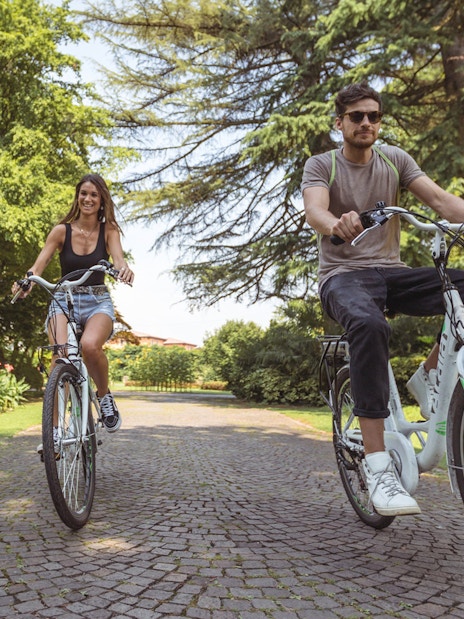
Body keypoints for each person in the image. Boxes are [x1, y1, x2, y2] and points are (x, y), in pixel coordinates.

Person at [301, 82, 464, 516]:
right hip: (343, 277)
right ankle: (377, 467)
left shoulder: (395, 160)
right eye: (357, 116)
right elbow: (314, 211)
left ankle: (429, 373)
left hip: (392, 274)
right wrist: (336, 223)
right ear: (340, 123)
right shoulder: (322, 165)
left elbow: (442, 203)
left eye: (373, 116)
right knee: (370, 326)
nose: (367, 123)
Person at [13, 173, 134, 444]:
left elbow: (118, 260)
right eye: (83, 193)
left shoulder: (109, 230)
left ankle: (104, 397)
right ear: (77, 197)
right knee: (60, 357)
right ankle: (54, 432)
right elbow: (38, 265)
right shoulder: (61, 231)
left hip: (97, 300)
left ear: (101, 200)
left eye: (94, 194)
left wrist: (123, 271)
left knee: (90, 346)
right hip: (63, 299)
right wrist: (26, 282)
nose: (88, 199)